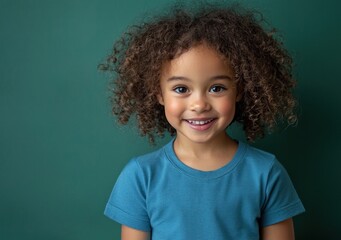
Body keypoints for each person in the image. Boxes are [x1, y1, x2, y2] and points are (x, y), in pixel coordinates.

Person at [100, 3, 305, 240]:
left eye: (217, 88)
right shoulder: (140, 176)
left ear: (239, 90)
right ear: (158, 94)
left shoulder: (266, 173)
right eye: (181, 88)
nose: (199, 104)